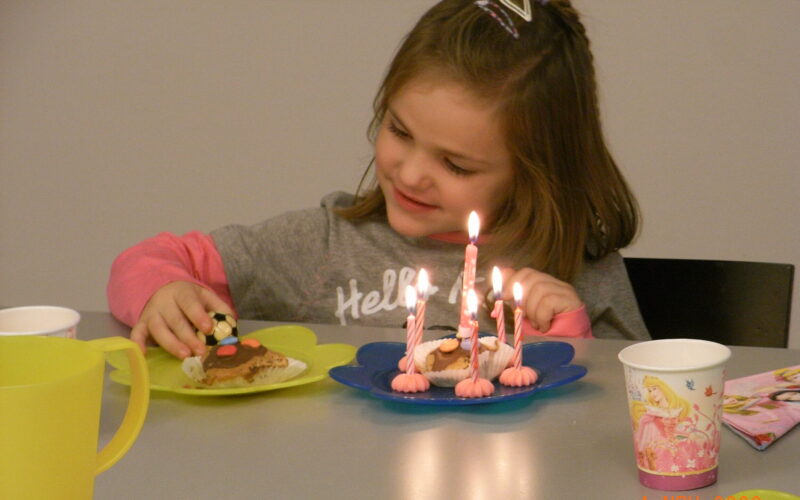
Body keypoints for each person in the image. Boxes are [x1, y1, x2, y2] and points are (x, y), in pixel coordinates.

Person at [108, 0, 649, 359]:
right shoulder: (323, 246)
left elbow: (630, 417)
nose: (410, 173)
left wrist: (566, 339)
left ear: (536, 174)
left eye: (455, 165)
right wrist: (166, 292)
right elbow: (149, 259)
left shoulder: (578, 274)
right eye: (399, 131)